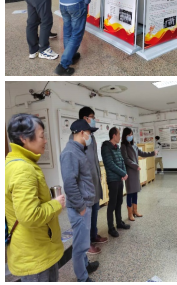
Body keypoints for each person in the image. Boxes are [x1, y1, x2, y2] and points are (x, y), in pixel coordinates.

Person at [5, 114, 65, 281]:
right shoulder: (23, 169)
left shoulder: (13, 163)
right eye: (41, 136)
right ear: (24, 138)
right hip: (35, 253)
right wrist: (55, 204)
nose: (45, 141)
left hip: (35, 247)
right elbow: (29, 215)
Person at [60, 119, 100, 282]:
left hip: (85, 204)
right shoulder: (70, 153)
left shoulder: (78, 150)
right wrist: (81, 207)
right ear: (82, 133)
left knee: (83, 241)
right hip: (80, 207)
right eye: (89, 133)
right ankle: (82, 278)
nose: (90, 136)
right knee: (79, 246)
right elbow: (69, 184)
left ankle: (85, 266)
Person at [69, 107, 108, 254]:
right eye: (92, 117)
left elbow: (94, 158)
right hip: (86, 184)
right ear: (85, 118)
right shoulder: (76, 138)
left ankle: (93, 235)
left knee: (95, 210)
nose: (94, 119)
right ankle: (87, 243)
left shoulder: (91, 136)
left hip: (94, 180)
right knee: (87, 214)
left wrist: (98, 173)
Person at [120, 128, 158, 220]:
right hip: (130, 172)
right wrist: (135, 165)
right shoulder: (123, 146)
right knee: (130, 192)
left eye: (131, 134)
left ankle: (135, 211)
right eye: (128, 135)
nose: (130, 136)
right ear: (125, 136)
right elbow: (126, 159)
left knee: (135, 192)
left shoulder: (134, 145)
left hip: (135, 172)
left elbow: (142, 153)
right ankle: (130, 214)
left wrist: (152, 153)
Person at [101, 127, 129, 237]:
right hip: (113, 180)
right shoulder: (106, 147)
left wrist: (124, 173)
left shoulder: (117, 147)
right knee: (112, 203)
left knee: (119, 201)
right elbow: (110, 164)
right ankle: (111, 227)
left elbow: (121, 161)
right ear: (114, 135)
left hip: (119, 179)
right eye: (119, 134)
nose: (120, 137)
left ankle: (119, 222)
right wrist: (123, 173)